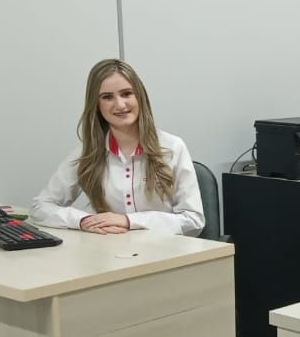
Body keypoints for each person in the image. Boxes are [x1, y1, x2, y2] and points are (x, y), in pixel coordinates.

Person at [31, 59, 204, 236]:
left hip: (166, 250)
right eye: (107, 97)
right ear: (96, 105)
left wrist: (129, 221)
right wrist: (83, 221)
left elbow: (193, 221)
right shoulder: (87, 153)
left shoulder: (172, 147)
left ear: (140, 97)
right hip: (111, 250)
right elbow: (40, 207)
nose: (120, 105)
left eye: (126, 94)